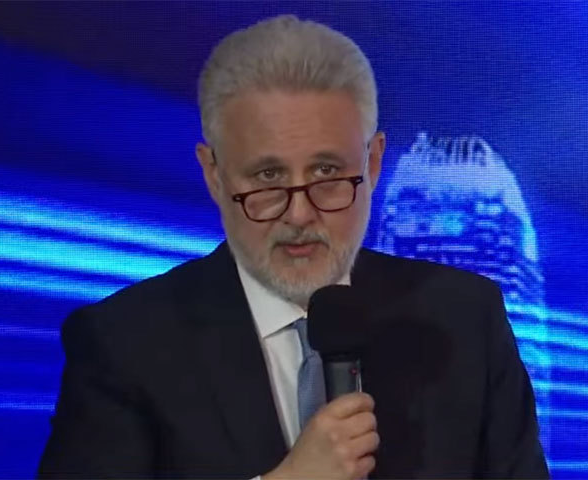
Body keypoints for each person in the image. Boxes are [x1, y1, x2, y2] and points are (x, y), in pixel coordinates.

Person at [38, 15, 548, 479]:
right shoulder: (124, 345)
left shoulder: (465, 319)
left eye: (327, 173)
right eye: (268, 177)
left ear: (372, 163)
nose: (299, 214)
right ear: (214, 174)